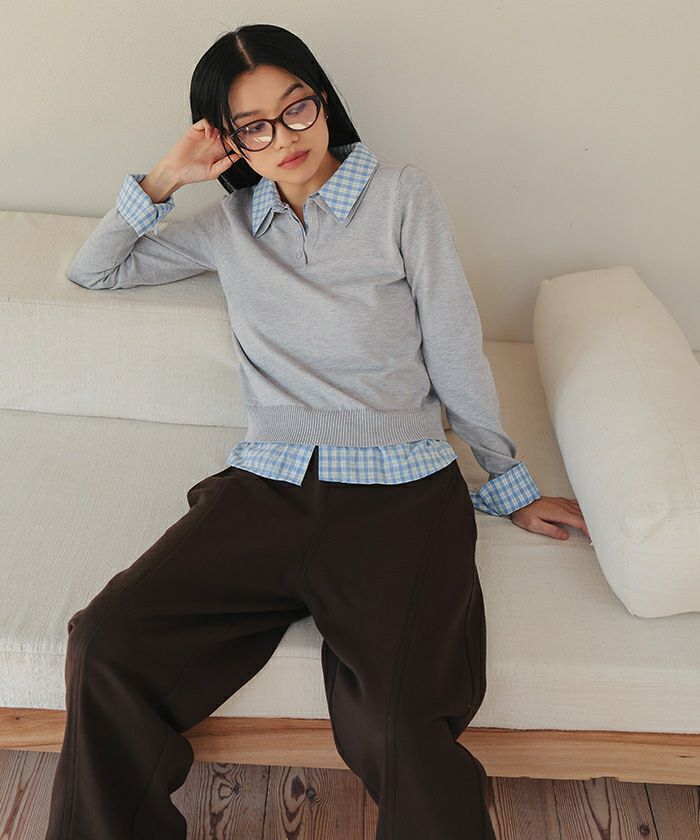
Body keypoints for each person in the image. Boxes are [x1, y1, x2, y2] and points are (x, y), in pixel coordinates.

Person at [44, 23, 589, 840]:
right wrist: (166, 177)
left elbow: (454, 348)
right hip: (267, 489)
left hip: (402, 492)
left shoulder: (401, 196)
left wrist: (506, 483)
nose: (285, 137)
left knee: (399, 727)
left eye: (296, 108)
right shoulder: (229, 226)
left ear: (323, 99)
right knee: (105, 643)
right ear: (230, 141)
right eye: (254, 126)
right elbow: (96, 269)